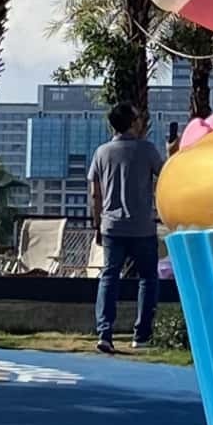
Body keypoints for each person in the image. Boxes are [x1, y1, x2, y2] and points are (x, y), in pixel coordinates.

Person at [87, 102, 164, 353]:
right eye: (138, 117)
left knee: (109, 277)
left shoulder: (102, 152)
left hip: (111, 225)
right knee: (148, 279)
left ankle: (105, 333)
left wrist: (97, 224)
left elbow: (94, 193)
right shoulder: (147, 150)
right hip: (142, 225)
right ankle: (141, 335)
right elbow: (164, 179)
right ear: (132, 122)